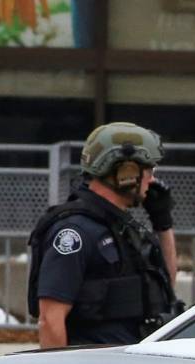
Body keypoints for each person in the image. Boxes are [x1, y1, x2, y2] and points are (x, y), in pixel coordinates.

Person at [29, 121, 180, 348]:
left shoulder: (122, 226)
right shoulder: (75, 232)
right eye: (148, 170)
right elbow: (50, 320)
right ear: (125, 172)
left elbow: (166, 283)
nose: (151, 179)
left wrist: (163, 223)